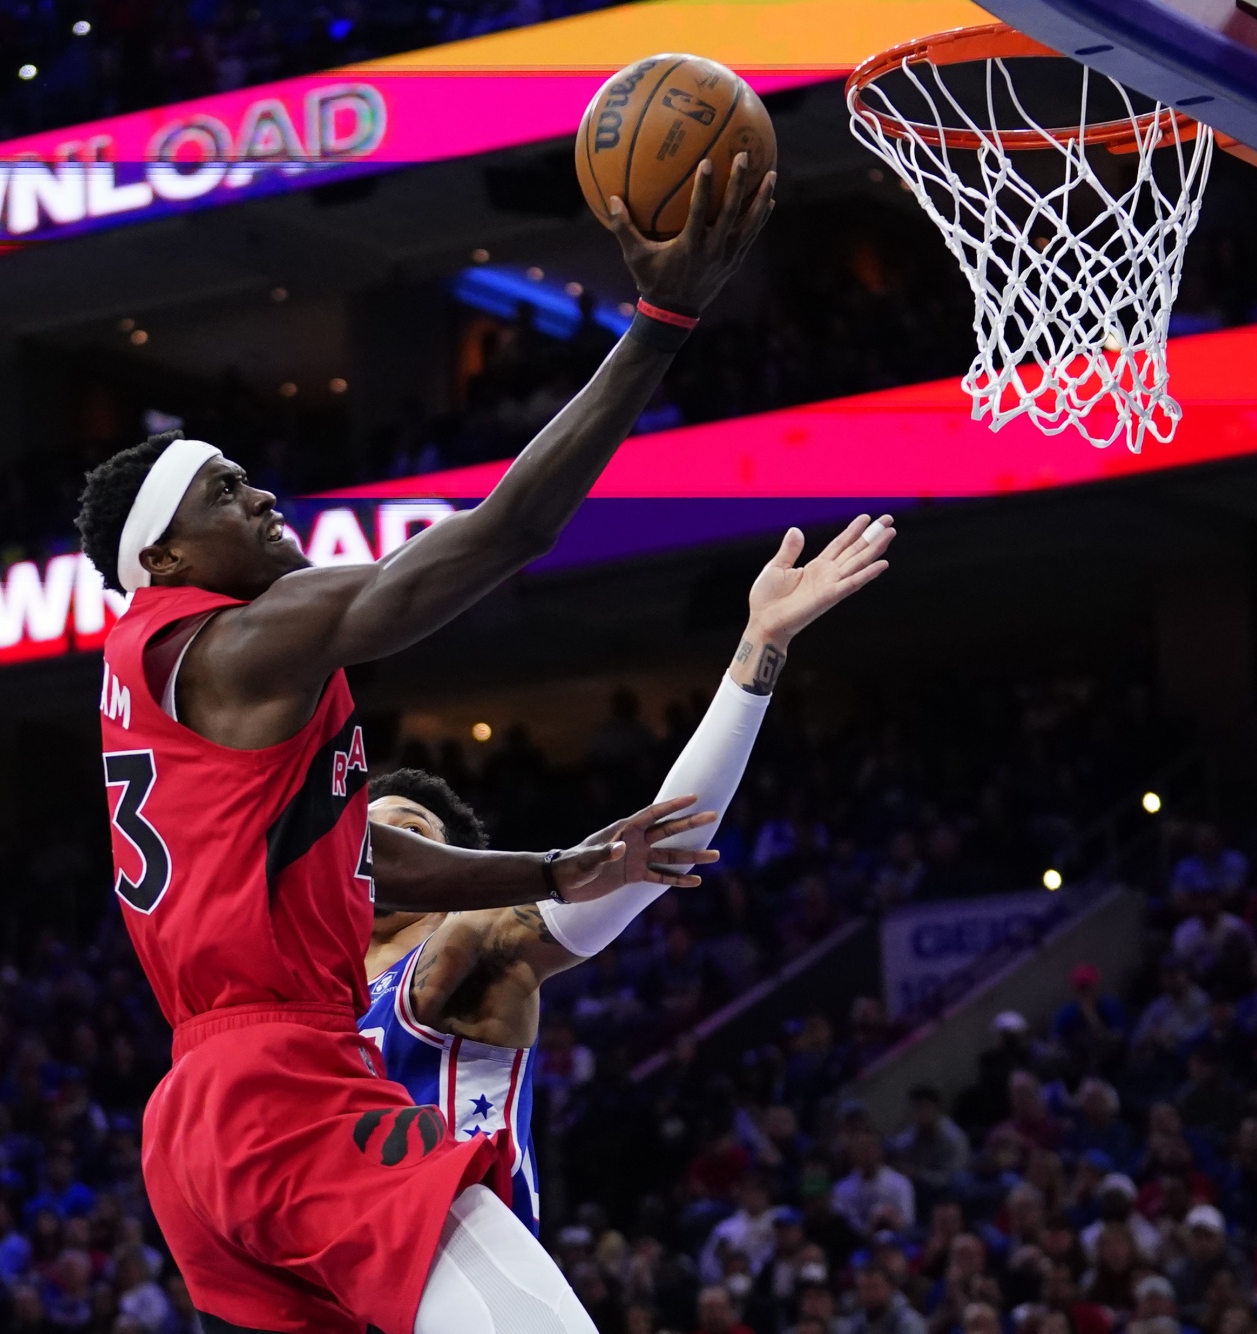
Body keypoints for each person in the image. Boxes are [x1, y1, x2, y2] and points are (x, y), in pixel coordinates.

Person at [74, 155, 776, 1333]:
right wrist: (659, 323)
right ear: (169, 560)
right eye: (225, 491)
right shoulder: (243, 639)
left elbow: (364, 856)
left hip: (198, 1121)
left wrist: (552, 868)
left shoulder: (166, 686)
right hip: (284, 1084)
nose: (262, 498)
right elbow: (509, 531)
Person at [359, 518, 897, 1232]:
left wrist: (761, 645)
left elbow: (664, 842)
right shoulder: (298, 984)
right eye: (372, 833)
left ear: (455, 872)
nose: (388, 845)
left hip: (458, 1269)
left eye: (413, 832)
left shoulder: (481, 937)